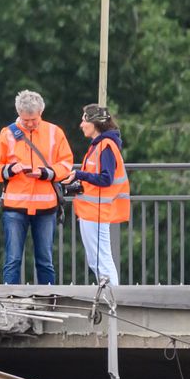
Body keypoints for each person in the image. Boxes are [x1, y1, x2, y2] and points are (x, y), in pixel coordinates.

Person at [0, 90, 74, 285]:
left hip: (46, 207)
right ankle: (10, 304)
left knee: (45, 261)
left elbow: (66, 164)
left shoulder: (54, 132)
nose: (31, 123)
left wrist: (46, 172)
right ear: (18, 114)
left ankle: (49, 302)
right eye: (26, 120)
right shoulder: (7, 134)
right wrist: (10, 169)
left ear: (41, 112)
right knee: (12, 260)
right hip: (16, 206)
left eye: (34, 119)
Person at [72, 103, 130, 286]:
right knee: (97, 259)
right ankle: (110, 299)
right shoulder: (101, 145)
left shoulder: (105, 145)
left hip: (96, 211)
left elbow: (106, 179)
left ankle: (113, 301)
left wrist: (78, 175)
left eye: (84, 120)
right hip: (92, 210)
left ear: (94, 123)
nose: (81, 125)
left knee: (101, 260)